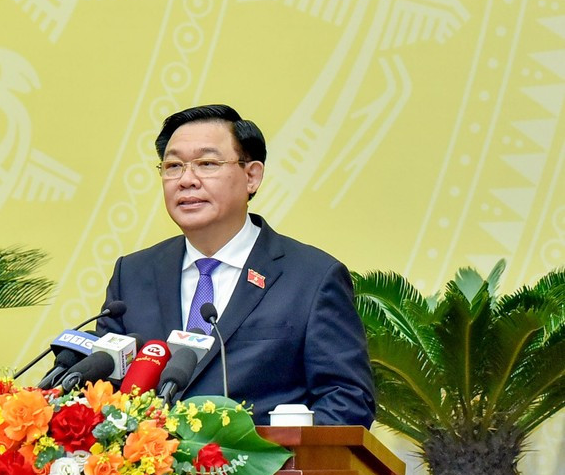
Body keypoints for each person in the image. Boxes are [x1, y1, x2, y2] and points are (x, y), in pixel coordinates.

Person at [97, 104, 374, 428]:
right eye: (173, 166)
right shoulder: (132, 275)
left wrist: (257, 457)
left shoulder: (311, 278)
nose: (186, 179)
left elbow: (348, 399)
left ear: (252, 176)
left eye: (207, 163)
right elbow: (103, 388)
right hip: (149, 473)